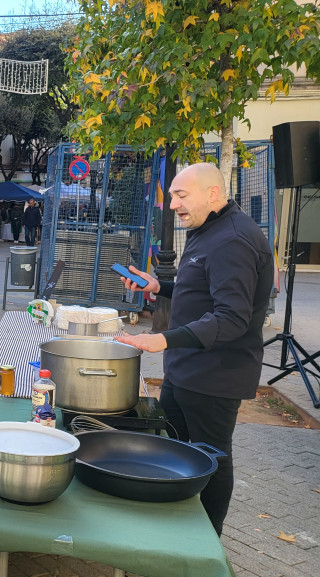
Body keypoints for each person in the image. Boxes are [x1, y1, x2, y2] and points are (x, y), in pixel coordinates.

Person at [115, 163, 273, 536]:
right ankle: (177, 528)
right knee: (173, 451)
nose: (172, 205)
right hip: (184, 369)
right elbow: (200, 289)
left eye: (180, 195)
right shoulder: (208, 229)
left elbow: (232, 318)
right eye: (172, 195)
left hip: (215, 376)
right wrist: (158, 287)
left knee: (209, 459)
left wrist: (164, 339)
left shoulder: (234, 239)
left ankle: (206, 542)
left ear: (213, 193)